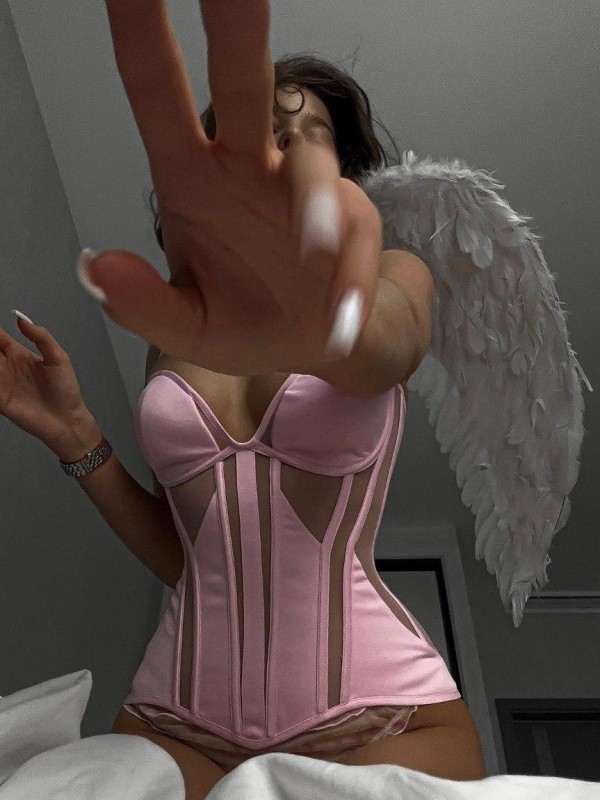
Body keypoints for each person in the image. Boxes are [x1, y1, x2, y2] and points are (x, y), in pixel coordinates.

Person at [1, 6, 487, 796]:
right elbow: (187, 555)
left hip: (380, 721)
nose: (286, 147)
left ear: (345, 173)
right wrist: (76, 435)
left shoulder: (394, 279)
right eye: (265, 133)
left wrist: (325, 323)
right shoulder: (174, 335)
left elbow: (389, 345)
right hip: (174, 720)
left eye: (311, 134)